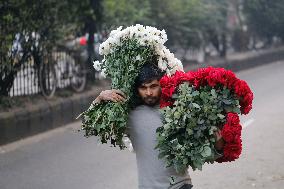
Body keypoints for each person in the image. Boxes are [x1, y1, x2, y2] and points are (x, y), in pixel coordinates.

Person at [93, 63, 225, 189]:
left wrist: (218, 144)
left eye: (153, 86)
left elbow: (203, 153)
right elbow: (94, 126)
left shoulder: (179, 109)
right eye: (143, 88)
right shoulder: (130, 116)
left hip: (180, 185)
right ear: (137, 89)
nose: (149, 92)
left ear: (162, 84)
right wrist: (99, 98)